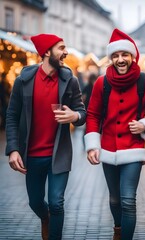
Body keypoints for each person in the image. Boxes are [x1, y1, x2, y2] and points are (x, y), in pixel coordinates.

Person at [84, 28, 145, 240]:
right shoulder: (102, 83)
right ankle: (118, 230)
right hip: (108, 149)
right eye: (116, 56)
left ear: (132, 56)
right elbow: (92, 114)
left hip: (133, 149)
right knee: (114, 200)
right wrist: (92, 144)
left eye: (124, 55)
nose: (120, 59)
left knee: (128, 200)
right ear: (111, 58)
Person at [5, 33, 86, 240]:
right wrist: (13, 149)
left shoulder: (70, 80)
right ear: (47, 52)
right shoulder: (24, 80)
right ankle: (45, 218)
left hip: (59, 153)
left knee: (57, 202)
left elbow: (82, 112)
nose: (65, 52)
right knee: (35, 202)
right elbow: (12, 116)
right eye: (61, 48)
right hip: (31, 156)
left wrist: (74, 115)